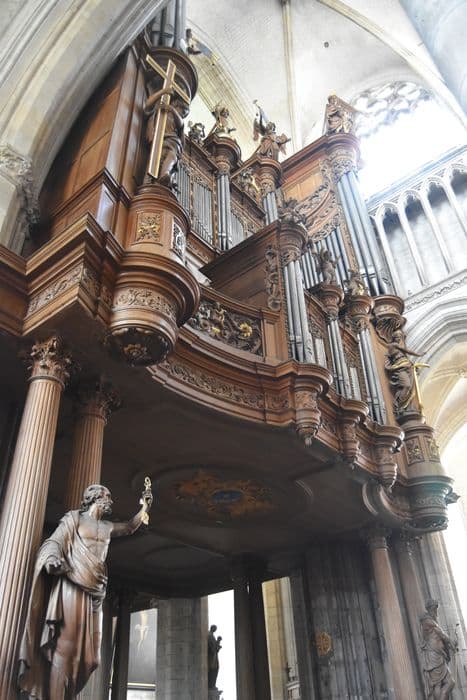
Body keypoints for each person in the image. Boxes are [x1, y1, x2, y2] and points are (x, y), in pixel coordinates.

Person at [18, 483, 152, 699]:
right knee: (65, 648)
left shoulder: (107, 526)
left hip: (95, 590)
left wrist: (144, 507)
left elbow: (129, 527)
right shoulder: (74, 520)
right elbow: (54, 542)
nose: (110, 500)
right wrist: (52, 559)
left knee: (91, 658)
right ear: (94, 497)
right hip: (73, 582)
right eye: (107, 496)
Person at [144, 79, 190, 189]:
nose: (181, 115)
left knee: (173, 156)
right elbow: (147, 105)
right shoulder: (160, 110)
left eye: (183, 115)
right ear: (175, 104)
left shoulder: (177, 121)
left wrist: (173, 110)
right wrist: (164, 91)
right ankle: (162, 175)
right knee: (156, 163)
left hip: (172, 142)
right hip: (159, 140)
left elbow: (181, 124)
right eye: (182, 112)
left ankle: (165, 174)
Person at [420, 599, 456, 700]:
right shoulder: (427, 621)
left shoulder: (431, 620)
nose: (436, 612)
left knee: (448, 682)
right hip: (433, 657)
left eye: (436, 609)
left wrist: (450, 644)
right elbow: (441, 633)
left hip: (439, 655)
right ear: (430, 609)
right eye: (434, 609)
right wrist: (450, 642)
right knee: (439, 684)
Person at [208, 624, 222, 689]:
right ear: (212, 628)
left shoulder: (212, 635)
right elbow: (212, 647)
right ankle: (211, 685)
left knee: (215, 670)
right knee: (213, 670)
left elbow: (214, 646)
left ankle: (212, 685)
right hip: (212, 658)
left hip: (214, 657)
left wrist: (218, 641)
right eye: (215, 629)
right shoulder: (209, 635)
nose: (215, 630)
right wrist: (217, 645)